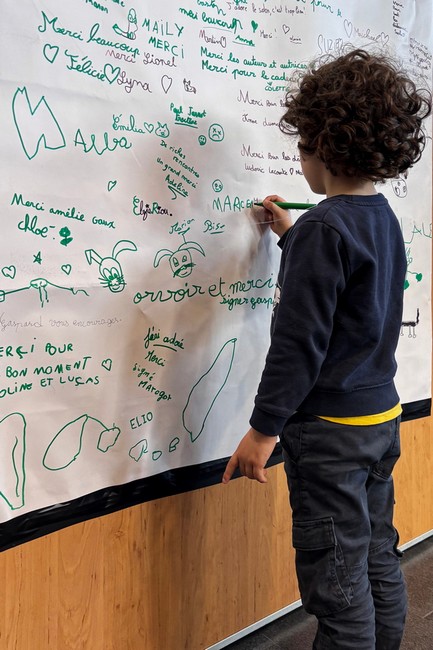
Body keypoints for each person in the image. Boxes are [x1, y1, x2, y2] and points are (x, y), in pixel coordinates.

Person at [222, 48, 432, 649]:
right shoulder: (379, 216)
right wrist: (294, 238)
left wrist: (263, 431)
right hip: (379, 419)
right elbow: (349, 295)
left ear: (321, 143)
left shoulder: (324, 228)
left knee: (337, 583)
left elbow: (299, 344)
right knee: (376, 554)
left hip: (331, 434)